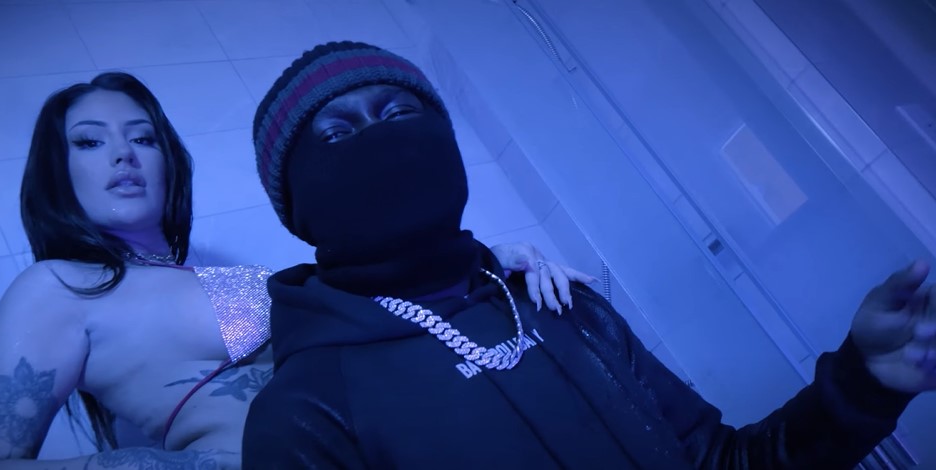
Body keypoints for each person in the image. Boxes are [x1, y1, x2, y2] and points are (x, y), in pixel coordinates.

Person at [241, 40, 936, 469]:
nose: (379, 138)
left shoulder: (564, 304)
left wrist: (864, 383)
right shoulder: (304, 412)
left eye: (400, 114)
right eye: (335, 135)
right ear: (299, 206)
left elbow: (723, 464)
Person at [0, 72, 589, 470]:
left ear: (169, 160)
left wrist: (492, 266)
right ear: (58, 170)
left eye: (143, 138)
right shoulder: (62, 287)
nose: (123, 155)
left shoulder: (241, 280)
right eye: (90, 141)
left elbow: (383, 313)